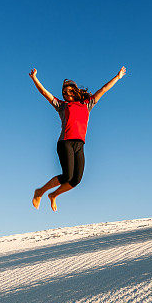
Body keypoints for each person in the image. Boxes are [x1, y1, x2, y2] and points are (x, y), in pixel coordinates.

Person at [29, 66, 126, 211]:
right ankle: (40, 192)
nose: (65, 94)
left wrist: (117, 77)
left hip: (80, 144)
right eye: (63, 92)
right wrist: (35, 78)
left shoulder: (87, 104)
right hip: (65, 143)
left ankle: (53, 195)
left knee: (76, 180)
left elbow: (104, 89)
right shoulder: (62, 106)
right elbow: (44, 92)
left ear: (74, 91)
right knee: (67, 175)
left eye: (68, 91)